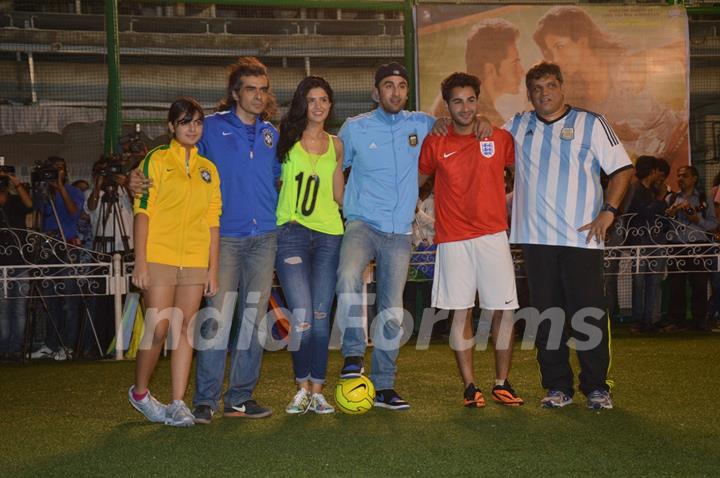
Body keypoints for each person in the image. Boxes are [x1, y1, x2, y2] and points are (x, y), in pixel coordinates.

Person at [505, 62, 633, 410]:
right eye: (536, 88)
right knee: (547, 317)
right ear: (528, 94)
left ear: (561, 88)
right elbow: (481, 139)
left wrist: (609, 211)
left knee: (588, 315)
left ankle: (596, 387)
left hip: (581, 239)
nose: (544, 93)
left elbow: (623, 169)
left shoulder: (591, 123)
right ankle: (557, 387)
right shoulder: (517, 125)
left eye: (550, 86)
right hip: (535, 240)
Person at [335, 62, 436, 410]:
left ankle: (383, 386)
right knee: (348, 276)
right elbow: (335, 166)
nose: (395, 91)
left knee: (391, 308)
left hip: (399, 232)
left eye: (401, 85)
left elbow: (457, 129)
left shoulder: (421, 124)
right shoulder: (354, 127)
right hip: (362, 224)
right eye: (388, 85)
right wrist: (343, 204)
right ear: (375, 93)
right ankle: (352, 355)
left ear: (407, 92)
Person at [419, 72, 523, 408]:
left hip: (493, 236)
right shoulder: (435, 141)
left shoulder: (499, 138)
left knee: (502, 312)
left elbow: (523, 172)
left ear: (478, 101)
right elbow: (416, 180)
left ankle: (502, 382)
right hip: (452, 239)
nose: (465, 107)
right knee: (460, 313)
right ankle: (469, 386)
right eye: (457, 101)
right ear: (447, 106)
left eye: (470, 100)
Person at [191, 57, 279, 423]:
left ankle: (240, 398)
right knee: (216, 318)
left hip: (265, 238)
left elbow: (279, 177)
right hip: (223, 238)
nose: (258, 96)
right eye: (250, 90)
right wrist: (139, 175)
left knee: (255, 320)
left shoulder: (272, 133)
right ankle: (206, 400)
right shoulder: (209, 128)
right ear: (234, 93)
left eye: (263, 89)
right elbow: (177, 156)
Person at [128, 97, 221, 427]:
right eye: (185, 122)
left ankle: (179, 402)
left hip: (195, 261)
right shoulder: (155, 160)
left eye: (197, 122)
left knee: (186, 329)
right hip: (159, 256)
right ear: (171, 127)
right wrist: (140, 261)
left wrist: (212, 268)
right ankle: (140, 393)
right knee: (159, 327)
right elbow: (143, 211)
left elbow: (213, 221)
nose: (192, 128)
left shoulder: (209, 170)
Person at [533, 6, 687, 180]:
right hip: (646, 171)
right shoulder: (571, 93)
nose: (556, 57)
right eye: (550, 51)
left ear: (582, 40)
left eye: (560, 47)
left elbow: (679, 50)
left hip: (678, 146)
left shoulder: (626, 66)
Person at [274, 76, 345, 415]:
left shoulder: (336, 144)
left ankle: (317, 390)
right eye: (312, 99)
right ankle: (301, 386)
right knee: (302, 315)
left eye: (324, 100)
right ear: (302, 103)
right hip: (292, 234)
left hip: (330, 235)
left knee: (320, 317)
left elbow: (338, 193)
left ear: (330, 106)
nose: (318, 105)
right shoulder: (284, 139)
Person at [33, 156, 86, 361]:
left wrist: (61, 187)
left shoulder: (74, 191)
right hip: (48, 245)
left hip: (67, 245)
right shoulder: (44, 192)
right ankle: (50, 344)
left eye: (58, 169)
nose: (55, 172)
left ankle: (69, 345)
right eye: (51, 169)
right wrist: (43, 189)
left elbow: (74, 214)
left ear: (65, 171)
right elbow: (38, 213)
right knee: (50, 299)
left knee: (68, 299)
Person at [431, 18, 524, 126]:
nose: (521, 71)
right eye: (514, 64)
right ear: (490, 70)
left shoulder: (450, 95)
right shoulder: (486, 119)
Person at [664, 165, 717, 332]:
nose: (680, 179)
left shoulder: (703, 198)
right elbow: (663, 224)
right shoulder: (671, 198)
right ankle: (677, 321)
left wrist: (697, 220)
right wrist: (670, 215)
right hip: (676, 246)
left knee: (699, 284)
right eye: (679, 175)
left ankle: (699, 321)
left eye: (685, 175)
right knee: (675, 286)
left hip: (698, 246)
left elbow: (713, 224)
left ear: (694, 178)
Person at [625, 156, 669, 334]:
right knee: (639, 281)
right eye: (657, 170)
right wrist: (660, 197)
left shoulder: (650, 190)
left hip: (655, 240)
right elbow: (644, 212)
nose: (659, 174)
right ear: (651, 171)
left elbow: (657, 214)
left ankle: (651, 318)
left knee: (654, 282)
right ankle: (638, 320)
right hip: (640, 241)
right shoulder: (635, 189)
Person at [0, 169, 33, 361]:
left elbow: (30, 205)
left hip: (21, 261)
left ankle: (17, 348)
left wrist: (16, 183)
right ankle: (4, 348)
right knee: (3, 307)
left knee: (19, 307)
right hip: (1, 264)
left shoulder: (15, 200)